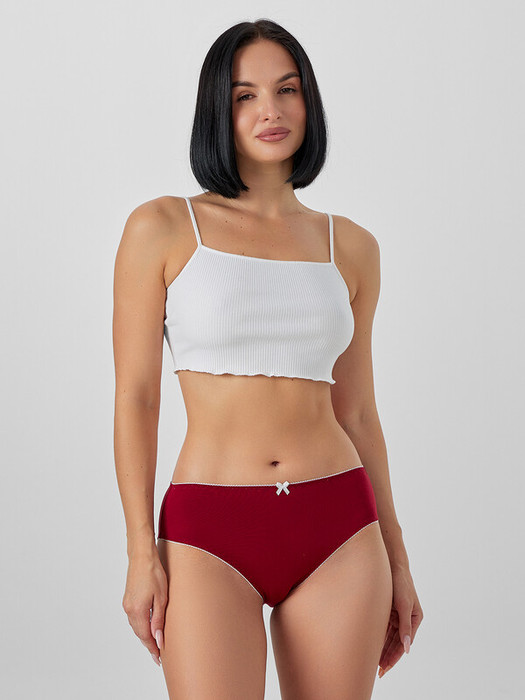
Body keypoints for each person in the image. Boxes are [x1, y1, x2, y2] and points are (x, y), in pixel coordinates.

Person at [112, 18, 423, 699]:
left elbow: (358, 412)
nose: (270, 110)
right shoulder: (162, 227)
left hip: (340, 525)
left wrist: (398, 559)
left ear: (308, 101)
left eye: (287, 90)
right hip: (208, 530)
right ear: (217, 111)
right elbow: (137, 397)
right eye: (244, 95)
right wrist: (139, 550)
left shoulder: (351, 246)